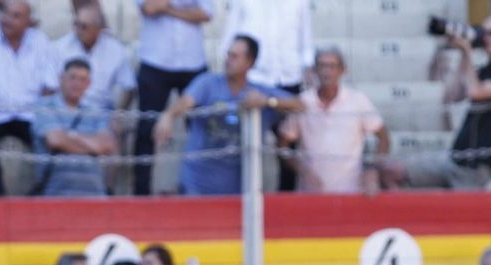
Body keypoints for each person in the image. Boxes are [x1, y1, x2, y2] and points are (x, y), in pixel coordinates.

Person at [387, 15, 491, 189]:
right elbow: (454, 96)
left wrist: (468, 51)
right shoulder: (485, 71)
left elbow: (476, 92)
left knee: (461, 214)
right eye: (484, 33)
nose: (486, 38)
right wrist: (463, 54)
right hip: (455, 160)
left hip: (477, 170)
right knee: (392, 171)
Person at [153, 35, 300, 197]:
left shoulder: (258, 91)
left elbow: (300, 104)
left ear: (250, 62)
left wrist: (267, 101)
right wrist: (167, 116)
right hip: (196, 185)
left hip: (238, 189)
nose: (228, 60)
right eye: (228, 55)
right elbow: (185, 101)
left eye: (235, 56)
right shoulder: (207, 83)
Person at [0, 0, 57, 197]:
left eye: (16, 16)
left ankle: (42, 194)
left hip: (31, 114)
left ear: (29, 22)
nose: (8, 20)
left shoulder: (41, 42)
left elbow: (50, 86)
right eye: (6, 14)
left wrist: (43, 116)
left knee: (52, 141)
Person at [218, 0, 310, 191]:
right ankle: (245, 196)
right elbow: (230, 37)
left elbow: (305, 39)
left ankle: (286, 201)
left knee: (287, 147)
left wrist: (307, 69)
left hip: (288, 80)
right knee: (246, 145)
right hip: (253, 80)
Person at [132, 0, 212, 196]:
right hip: (155, 61)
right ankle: (141, 195)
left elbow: (205, 13)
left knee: (202, 128)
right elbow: (149, 8)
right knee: (146, 130)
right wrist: (184, 9)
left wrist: (167, 8)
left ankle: (202, 191)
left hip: (193, 61)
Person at [282, 48, 387, 195]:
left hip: (351, 193)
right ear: (314, 70)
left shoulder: (357, 100)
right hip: (311, 194)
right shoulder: (303, 102)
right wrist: (303, 171)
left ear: (342, 70)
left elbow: (383, 137)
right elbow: (282, 147)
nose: (327, 72)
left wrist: (373, 170)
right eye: (322, 66)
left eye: (332, 66)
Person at [31, 58, 114, 197]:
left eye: (82, 79)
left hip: (95, 195)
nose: (77, 84)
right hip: (56, 194)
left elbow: (107, 145)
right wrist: (93, 148)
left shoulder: (95, 112)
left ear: (89, 84)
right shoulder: (45, 106)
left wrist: (72, 136)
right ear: (61, 78)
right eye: (72, 77)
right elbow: (56, 140)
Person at [53, 4, 133, 113]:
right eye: (76, 24)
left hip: (101, 112)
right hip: (64, 110)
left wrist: (119, 115)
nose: (79, 30)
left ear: (99, 28)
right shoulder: (61, 46)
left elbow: (129, 87)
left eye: (84, 26)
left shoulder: (115, 50)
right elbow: (50, 85)